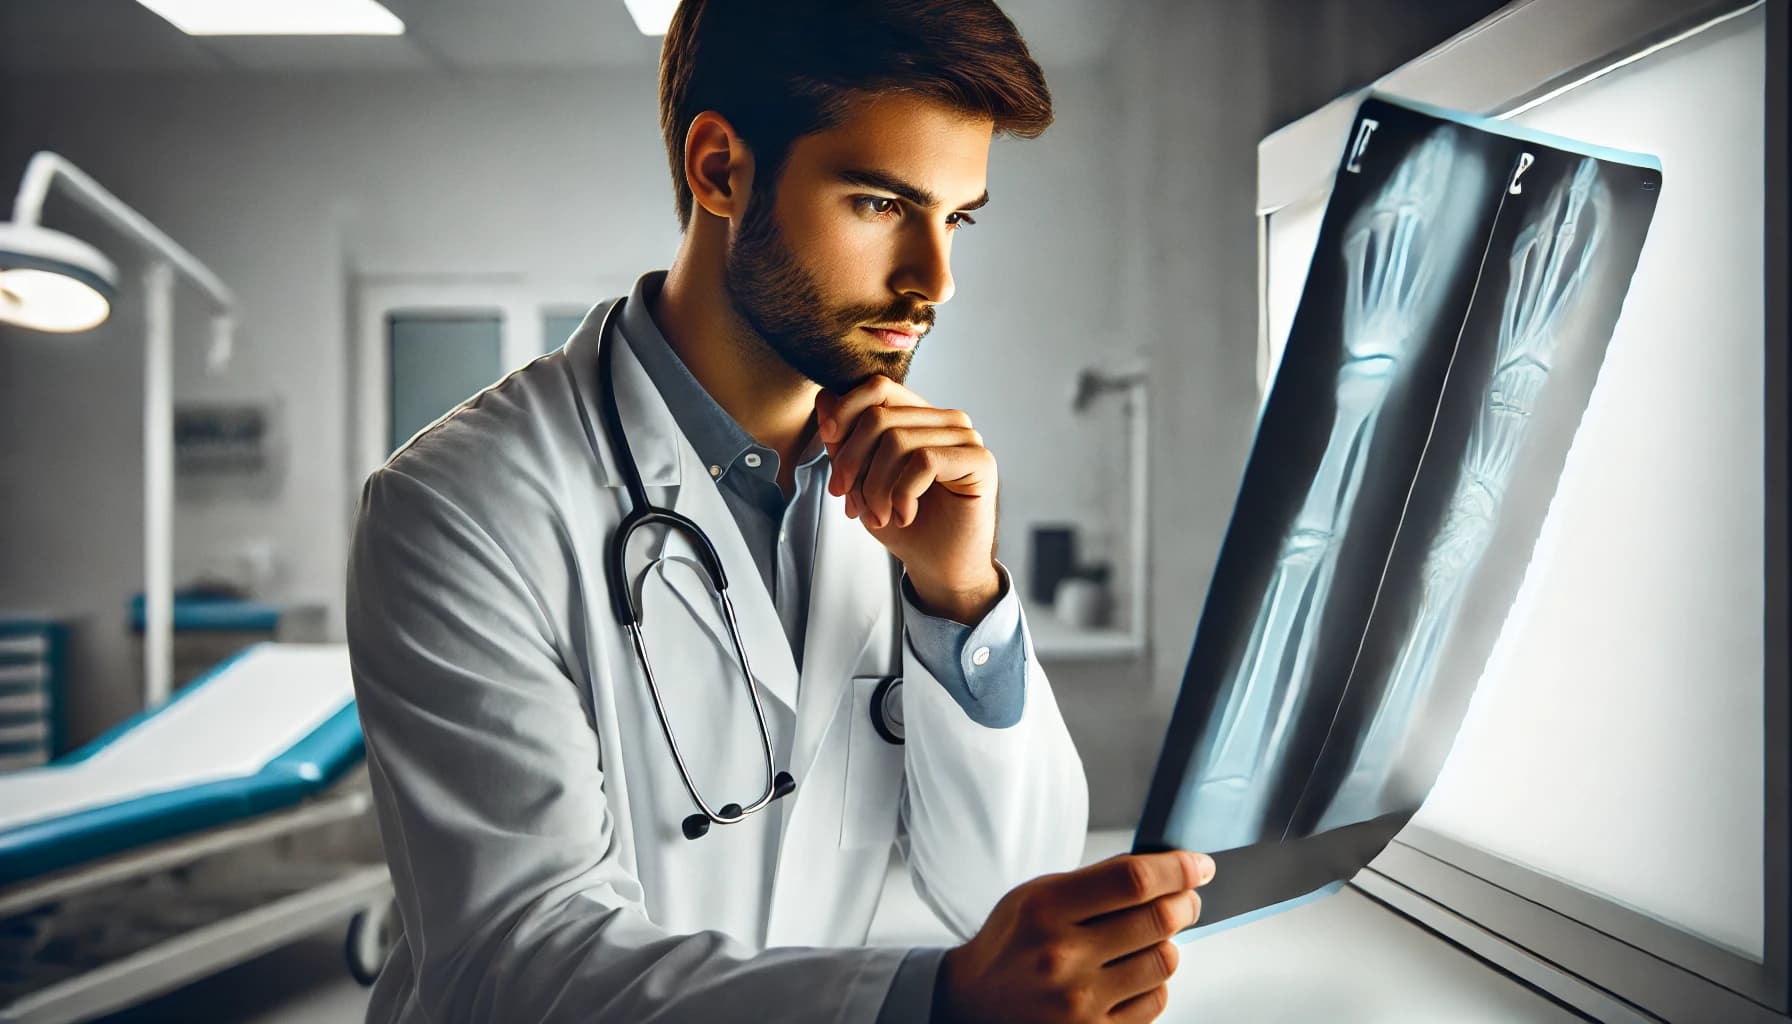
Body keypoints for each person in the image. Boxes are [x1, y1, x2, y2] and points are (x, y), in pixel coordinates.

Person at [345, 1, 1216, 1021]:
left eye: (956, 217)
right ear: (719, 169)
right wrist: (925, 1004)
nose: (933, 279)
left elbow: (1005, 888)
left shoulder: (903, 501)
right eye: (881, 204)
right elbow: (510, 960)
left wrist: (960, 597)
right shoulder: (461, 504)